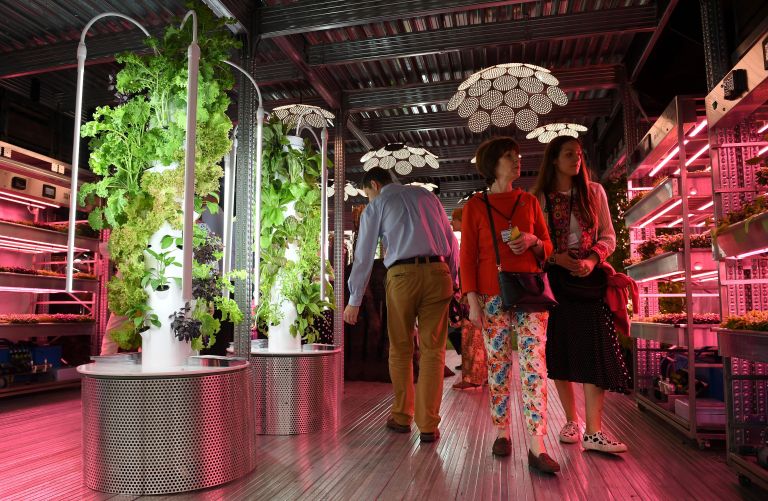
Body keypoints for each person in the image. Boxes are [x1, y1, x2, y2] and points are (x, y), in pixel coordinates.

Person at [461, 137, 559, 473]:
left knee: (534, 365)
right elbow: (467, 258)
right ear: (492, 164)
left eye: (517, 156)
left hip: (530, 293)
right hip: (491, 296)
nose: (517, 161)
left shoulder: (529, 202)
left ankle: (537, 443)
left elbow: (548, 246)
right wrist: (472, 301)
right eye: (508, 156)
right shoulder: (476, 205)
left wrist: (533, 242)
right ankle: (502, 432)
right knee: (498, 365)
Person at [344, 167, 459, 444]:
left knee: (401, 348)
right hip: (438, 273)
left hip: (402, 277)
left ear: (374, 184)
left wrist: (354, 300)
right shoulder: (427, 196)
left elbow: (363, 254)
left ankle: (402, 416)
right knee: (434, 352)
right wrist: (453, 281)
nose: (368, 199)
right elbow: (452, 242)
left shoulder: (379, 204)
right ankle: (429, 425)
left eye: (367, 194)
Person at [532, 136, 630, 454]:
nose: (576, 159)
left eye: (578, 154)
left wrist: (592, 260)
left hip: (589, 281)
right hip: (557, 282)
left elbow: (608, 236)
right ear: (554, 159)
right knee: (561, 350)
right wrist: (554, 257)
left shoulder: (595, 192)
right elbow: (535, 242)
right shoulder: (541, 198)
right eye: (568, 154)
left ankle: (594, 430)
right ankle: (571, 421)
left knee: (595, 349)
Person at [450, 207, 486, 391]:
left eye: (454, 220)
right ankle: (482, 375)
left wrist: (466, 293)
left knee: (471, 336)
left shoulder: (470, 241)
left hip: (473, 294)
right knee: (479, 336)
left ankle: (473, 376)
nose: (452, 223)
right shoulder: (476, 238)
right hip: (477, 292)